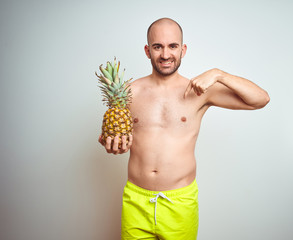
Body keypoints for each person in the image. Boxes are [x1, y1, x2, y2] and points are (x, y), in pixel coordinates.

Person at [99, 17, 270, 240]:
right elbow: (113, 134)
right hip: (136, 200)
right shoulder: (129, 92)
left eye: (173, 46)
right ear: (147, 50)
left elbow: (260, 99)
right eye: (157, 46)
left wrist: (219, 74)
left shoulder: (199, 92)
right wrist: (110, 142)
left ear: (183, 49)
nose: (166, 54)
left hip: (180, 202)